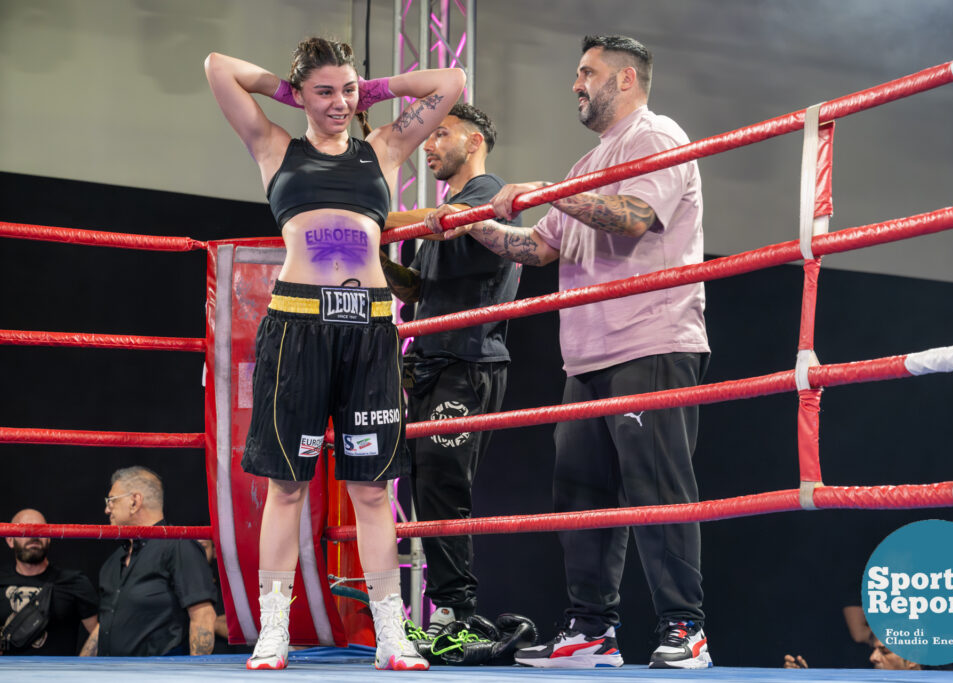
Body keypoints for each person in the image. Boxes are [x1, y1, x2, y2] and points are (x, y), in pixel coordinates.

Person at [426, 35, 711, 669]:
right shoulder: (587, 163)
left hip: (652, 338)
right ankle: (591, 630)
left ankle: (685, 628)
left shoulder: (656, 137)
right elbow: (540, 247)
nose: (577, 83)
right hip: (587, 354)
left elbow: (633, 214)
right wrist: (472, 223)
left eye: (588, 72)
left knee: (657, 487)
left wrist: (548, 190)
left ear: (627, 79)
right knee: (580, 492)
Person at [204, 37, 465, 671]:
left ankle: (391, 633)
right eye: (325, 91)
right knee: (287, 486)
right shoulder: (275, 146)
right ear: (301, 96)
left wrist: (375, 89)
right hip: (298, 326)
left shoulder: (384, 149)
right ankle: (273, 629)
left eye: (348, 89)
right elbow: (218, 68)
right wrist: (284, 90)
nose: (340, 102)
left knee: (372, 492)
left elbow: (450, 82)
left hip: (370, 328)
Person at [378, 103, 521, 637]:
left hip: (469, 359)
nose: (430, 145)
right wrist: (376, 255)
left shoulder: (487, 195)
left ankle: (456, 612)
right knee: (423, 486)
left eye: (441, 133)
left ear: (475, 140)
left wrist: (364, 218)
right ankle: (447, 610)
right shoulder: (445, 210)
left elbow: (438, 232)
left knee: (443, 484)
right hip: (429, 359)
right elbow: (415, 288)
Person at [80, 466, 217, 657]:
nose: (106, 509)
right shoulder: (114, 561)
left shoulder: (178, 546)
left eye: (111, 501)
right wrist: (82, 667)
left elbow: (202, 615)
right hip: (110, 673)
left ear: (134, 502)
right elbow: (106, 623)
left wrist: (199, 674)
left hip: (160, 675)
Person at [0, 509, 98, 655]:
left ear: (49, 537)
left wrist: (81, 667)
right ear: (9, 540)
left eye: (41, 530)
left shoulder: (74, 582)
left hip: (57, 676)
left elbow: (103, 634)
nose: (34, 536)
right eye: (25, 530)